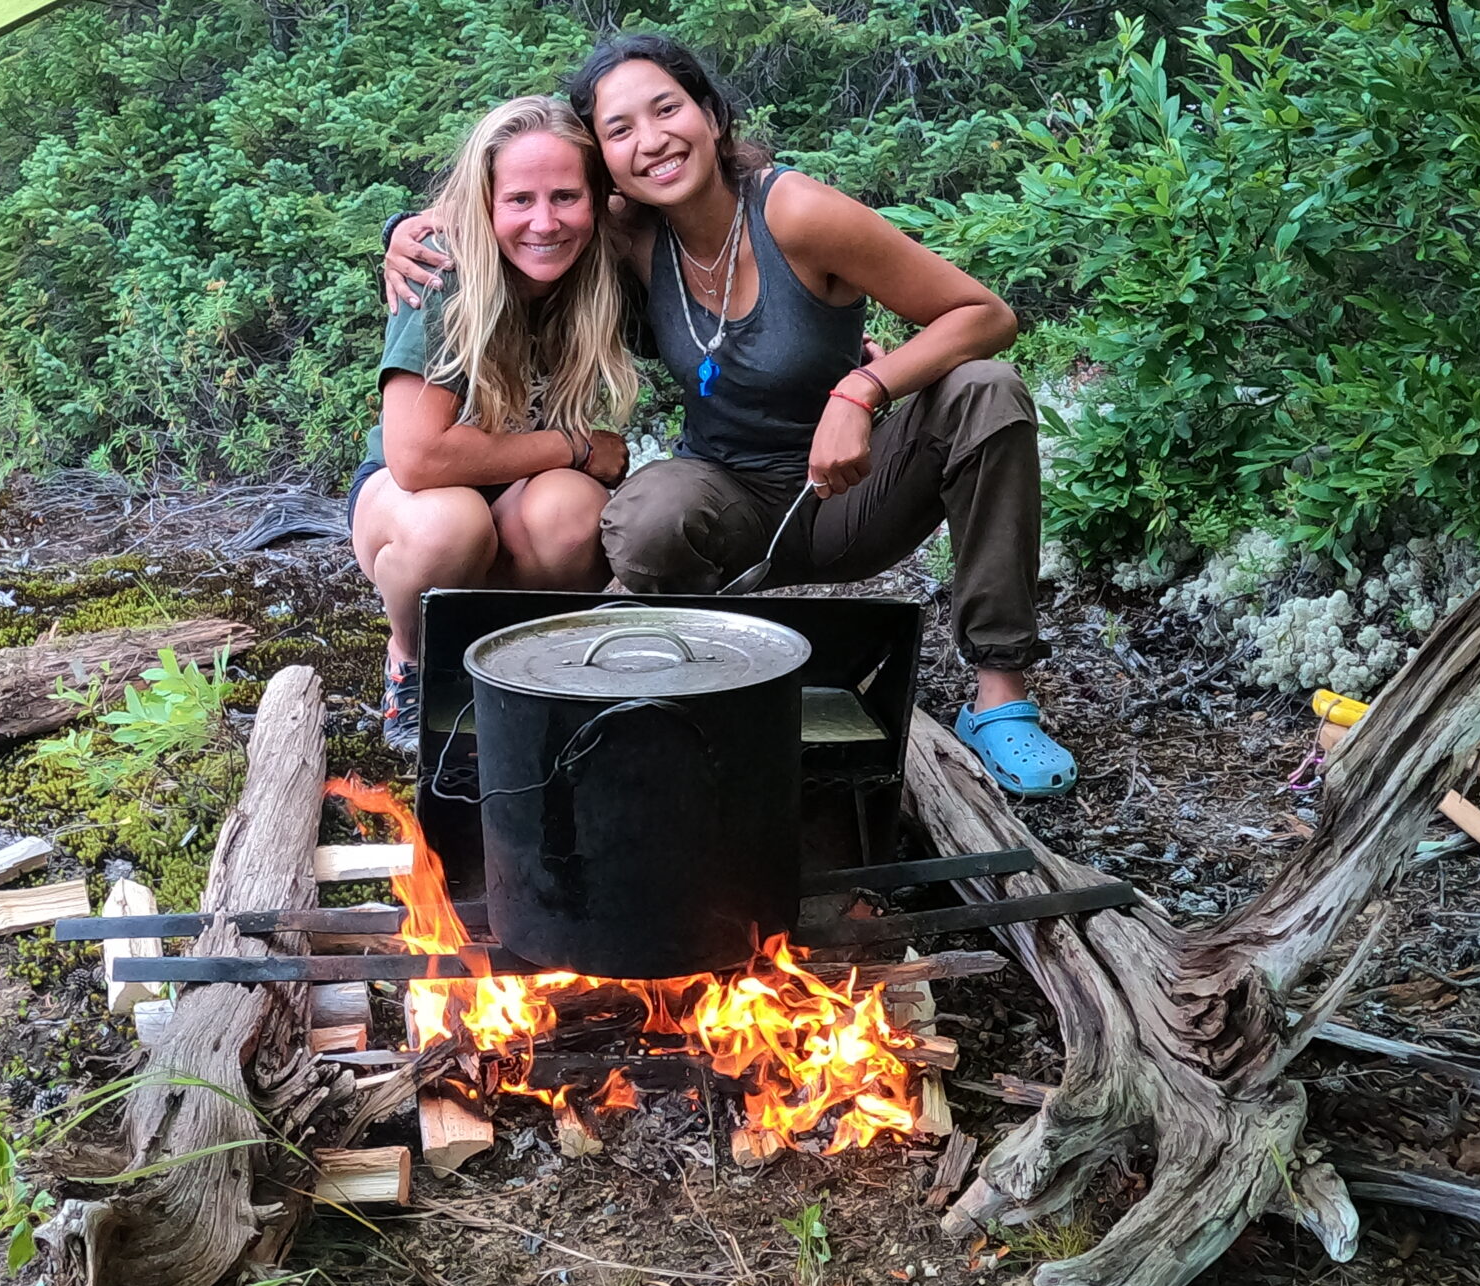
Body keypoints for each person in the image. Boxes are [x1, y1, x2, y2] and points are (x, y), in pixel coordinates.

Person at [385, 38, 1075, 797]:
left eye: (667, 108)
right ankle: (697, 691)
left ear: (711, 116)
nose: (650, 140)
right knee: (646, 514)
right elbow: (509, 202)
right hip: (729, 501)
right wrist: (401, 232)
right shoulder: (625, 233)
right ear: (605, 164)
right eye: (619, 130)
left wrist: (864, 390)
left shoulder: (797, 212)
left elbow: (985, 315)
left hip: (852, 488)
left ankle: (1001, 697)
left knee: (988, 387)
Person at [354, 95, 638, 752]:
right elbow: (418, 458)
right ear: (484, 201)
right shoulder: (441, 268)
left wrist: (826, 350)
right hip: (409, 497)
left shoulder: (603, 267)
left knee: (572, 514)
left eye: (566, 196)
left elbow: (707, 260)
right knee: (449, 525)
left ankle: (519, 663)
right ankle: (412, 661)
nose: (545, 221)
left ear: (597, 201)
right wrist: (573, 445)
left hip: (519, 494)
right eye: (519, 200)